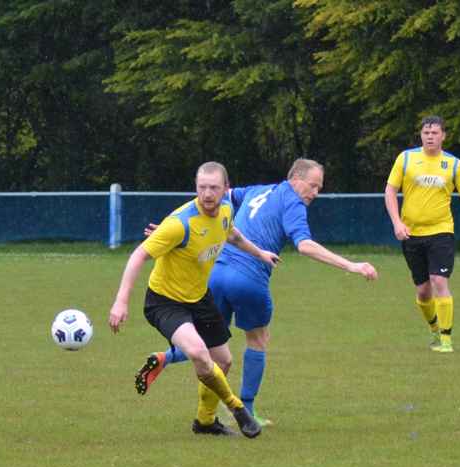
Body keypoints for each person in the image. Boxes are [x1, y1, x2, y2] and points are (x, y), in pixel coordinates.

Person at [135, 158, 378, 425]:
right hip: (248, 280)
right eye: (313, 185)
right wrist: (351, 265)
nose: (315, 193)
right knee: (258, 340)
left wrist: (173, 229)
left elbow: (212, 198)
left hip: (215, 274)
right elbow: (305, 245)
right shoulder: (293, 202)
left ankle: (165, 359)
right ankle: (248, 410)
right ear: (295, 178)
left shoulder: (258, 190)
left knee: (212, 343)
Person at [108, 161, 280, 438]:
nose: (207, 193)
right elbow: (138, 255)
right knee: (200, 354)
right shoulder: (180, 223)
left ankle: (205, 422)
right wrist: (121, 301)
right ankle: (238, 409)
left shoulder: (225, 210)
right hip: (164, 302)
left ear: (225, 189)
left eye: (213, 188)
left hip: (199, 297)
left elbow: (232, 234)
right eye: (202, 187)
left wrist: (259, 253)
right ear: (196, 188)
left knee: (222, 361)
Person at [384, 115, 460, 353]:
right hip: (411, 234)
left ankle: (447, 340)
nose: (430, 137)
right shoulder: (406, 159)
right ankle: (434, 329)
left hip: (441, 232)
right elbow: (390, 192)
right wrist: (397, 223)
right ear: (421, 135)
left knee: (440, 281)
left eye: (435, 133)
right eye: (426, 133)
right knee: (423, 290)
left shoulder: (454, 165)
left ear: (443, 136)